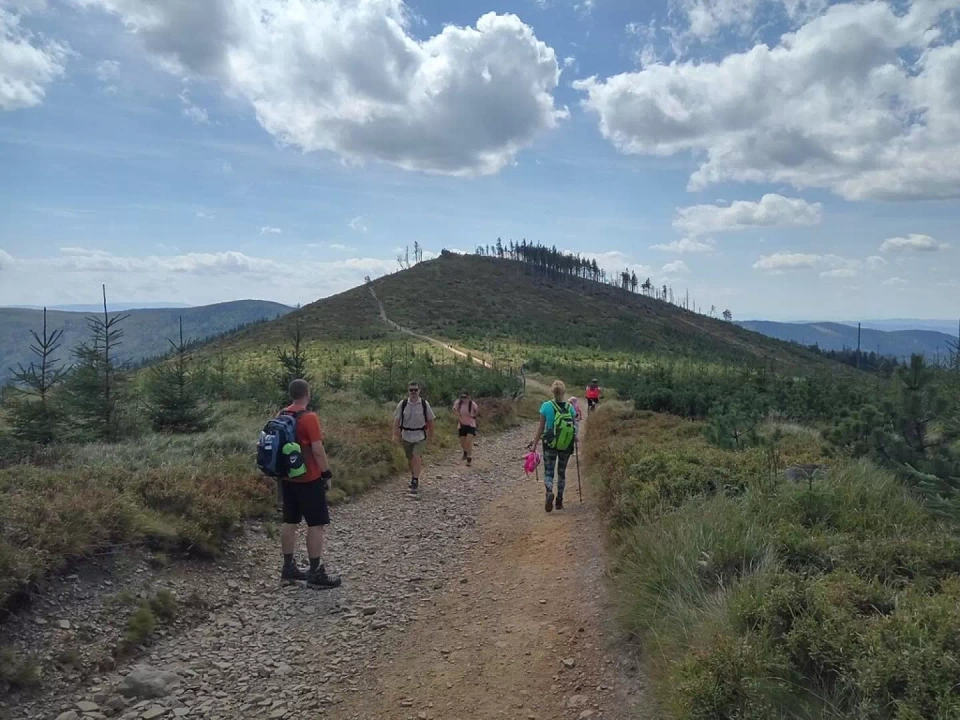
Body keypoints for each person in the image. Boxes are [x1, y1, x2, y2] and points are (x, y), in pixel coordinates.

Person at [279, 379, 340, 588]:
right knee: (316, 524)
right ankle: (315, 573)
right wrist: (327, 474)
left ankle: (288, 568)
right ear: (307, 393)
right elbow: (317, 450)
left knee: (289, 521)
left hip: (287, 478)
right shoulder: (309, 417)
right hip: (309, 478)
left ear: (291, 394)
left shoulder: (282, 415)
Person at [529, 380, 577, 513]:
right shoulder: (570, 407)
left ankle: (549, 491)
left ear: (552, 391)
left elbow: (541, 428)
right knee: (561, 473)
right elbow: (574, 427)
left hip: (549, 444)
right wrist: (575, 438)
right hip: (566, 446)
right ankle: (559, 501)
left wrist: (534, 445)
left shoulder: (546, 406)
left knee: (549, 472)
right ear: (564, 391)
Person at [393, 381, 436, 493]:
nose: (413, 392)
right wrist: (395, 434)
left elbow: (430, 420)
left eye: (415, 390)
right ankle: (414, 474)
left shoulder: (424, 404)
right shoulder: (402, 404)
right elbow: (396, 420)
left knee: (417, 456)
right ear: (408, 391)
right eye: (411, 390)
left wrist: (432, 435)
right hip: (406, 435)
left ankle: (415, 480)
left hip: (420, 435)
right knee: (410, 458)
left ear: (419, 391)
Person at [453, 389, 479, 466]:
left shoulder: (472, 404)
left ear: (469, 397)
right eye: (462, 397)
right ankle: (465, 451)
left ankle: (469, 457)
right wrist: (458, 414)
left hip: (471, 424)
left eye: (465, 397)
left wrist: (473, 415)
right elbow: (454, 409)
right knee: (462, 442)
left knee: (468, 441)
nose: (464, 399)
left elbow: (476, 411)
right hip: (461, 424)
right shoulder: (458, 403)